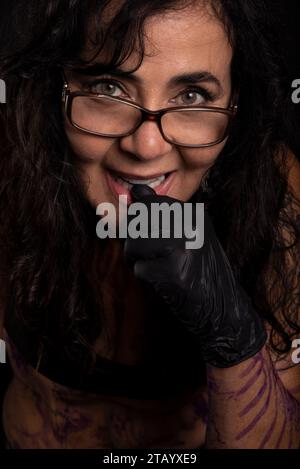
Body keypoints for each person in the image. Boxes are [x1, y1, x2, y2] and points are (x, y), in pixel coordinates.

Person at [0, 0, 300, 449]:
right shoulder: (11, 168)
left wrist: (231, 331)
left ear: (235, 105)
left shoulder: (276, 200)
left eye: (192, 95)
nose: (146, 146)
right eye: (108, 87)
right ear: (57, 89)